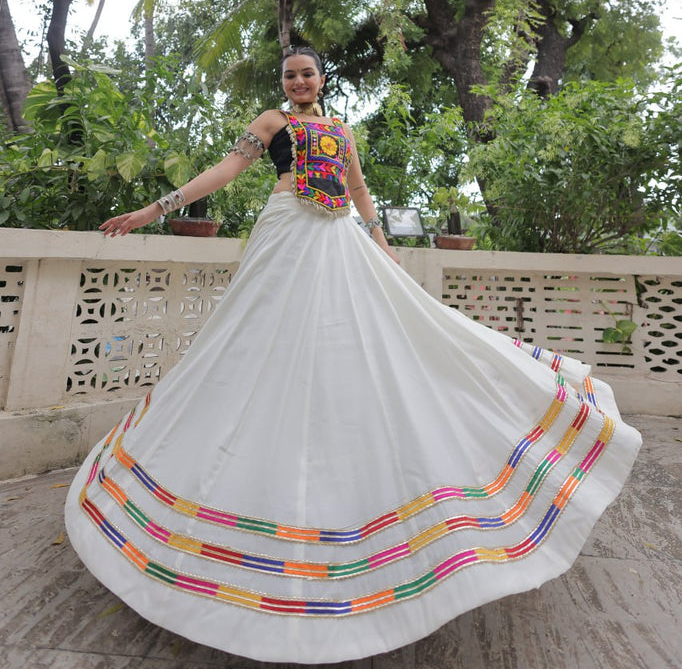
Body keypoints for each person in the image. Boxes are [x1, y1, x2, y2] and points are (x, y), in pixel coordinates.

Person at [65, 47, 641, 665]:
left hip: (338, 239)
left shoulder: (342, 131)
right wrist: (158, 209)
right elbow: (227, 170)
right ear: (282, 85)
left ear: (321, 79)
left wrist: (380, 240)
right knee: (254, 347)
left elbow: (360, 188)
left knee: (364, 340)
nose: (299, 81)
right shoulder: (271, 124)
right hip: (286, 230)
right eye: (290, 75)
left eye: (308, 73)